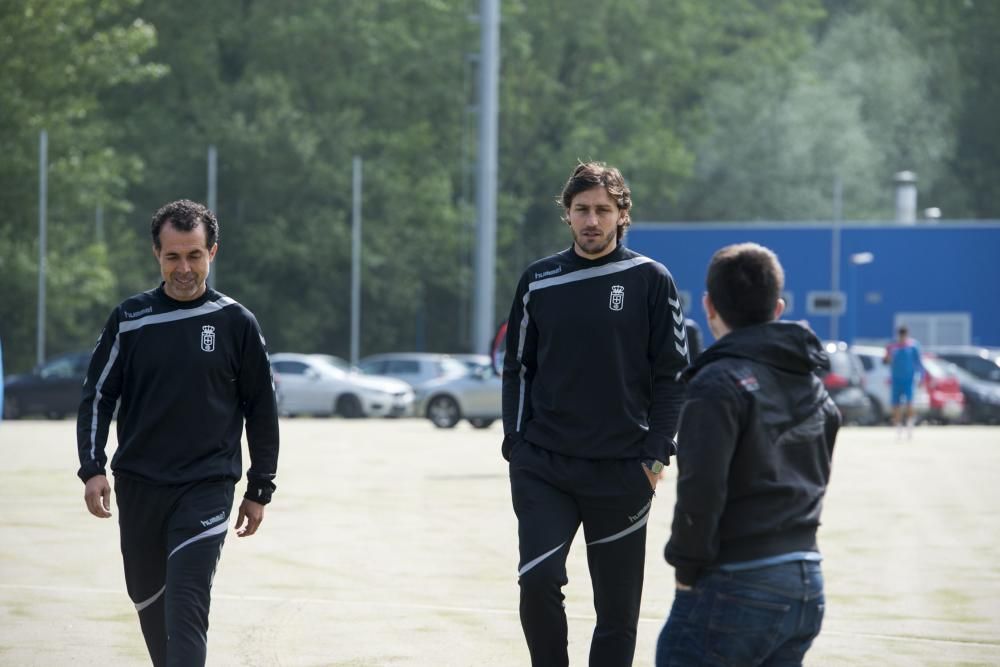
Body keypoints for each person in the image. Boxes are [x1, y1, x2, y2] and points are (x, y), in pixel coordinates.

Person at [501, 161, 690, 667]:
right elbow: (517, 366)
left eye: (602, 210)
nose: (591, 220)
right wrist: (516, 445)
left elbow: (673, 375)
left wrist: (656, 456)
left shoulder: (651, 280)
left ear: (622, 214)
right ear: (566, 214)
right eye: (581, 209)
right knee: (538, 580)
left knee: (617, 612)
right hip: (545, 465)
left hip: (623, 469)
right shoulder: (538, 280)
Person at [75, 199, 279, 666]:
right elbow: (97, 397)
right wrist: (92, 467)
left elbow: (262, 411)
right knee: (152, 609)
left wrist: (260, 488)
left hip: (206, 487)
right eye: (173, 256)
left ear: (213, 253)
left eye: (194, 255)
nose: (184, 267)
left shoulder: (236, 324)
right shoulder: (130, 319)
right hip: (141, 487)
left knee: (187, 604)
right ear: (156, 255)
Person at [656, 243, 841, 666]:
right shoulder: (811, 383)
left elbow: (700, 491)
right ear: (778, 307)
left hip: (738, 579)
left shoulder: (715, 384)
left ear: (709, 306)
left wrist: (687, 572)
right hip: (807, 579)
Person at [884, 325, 924, 439]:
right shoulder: (892, 346)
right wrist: (888, 356)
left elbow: (919, 363)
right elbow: (886, 361)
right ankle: (898, 428)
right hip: (896, 380)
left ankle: (910, 426)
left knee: (909, 403)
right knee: (895, 405)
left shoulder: (913, 346)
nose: (901, 338)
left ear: (907, 335)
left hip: (909, 380)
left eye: (903, 335)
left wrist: (921, 377)